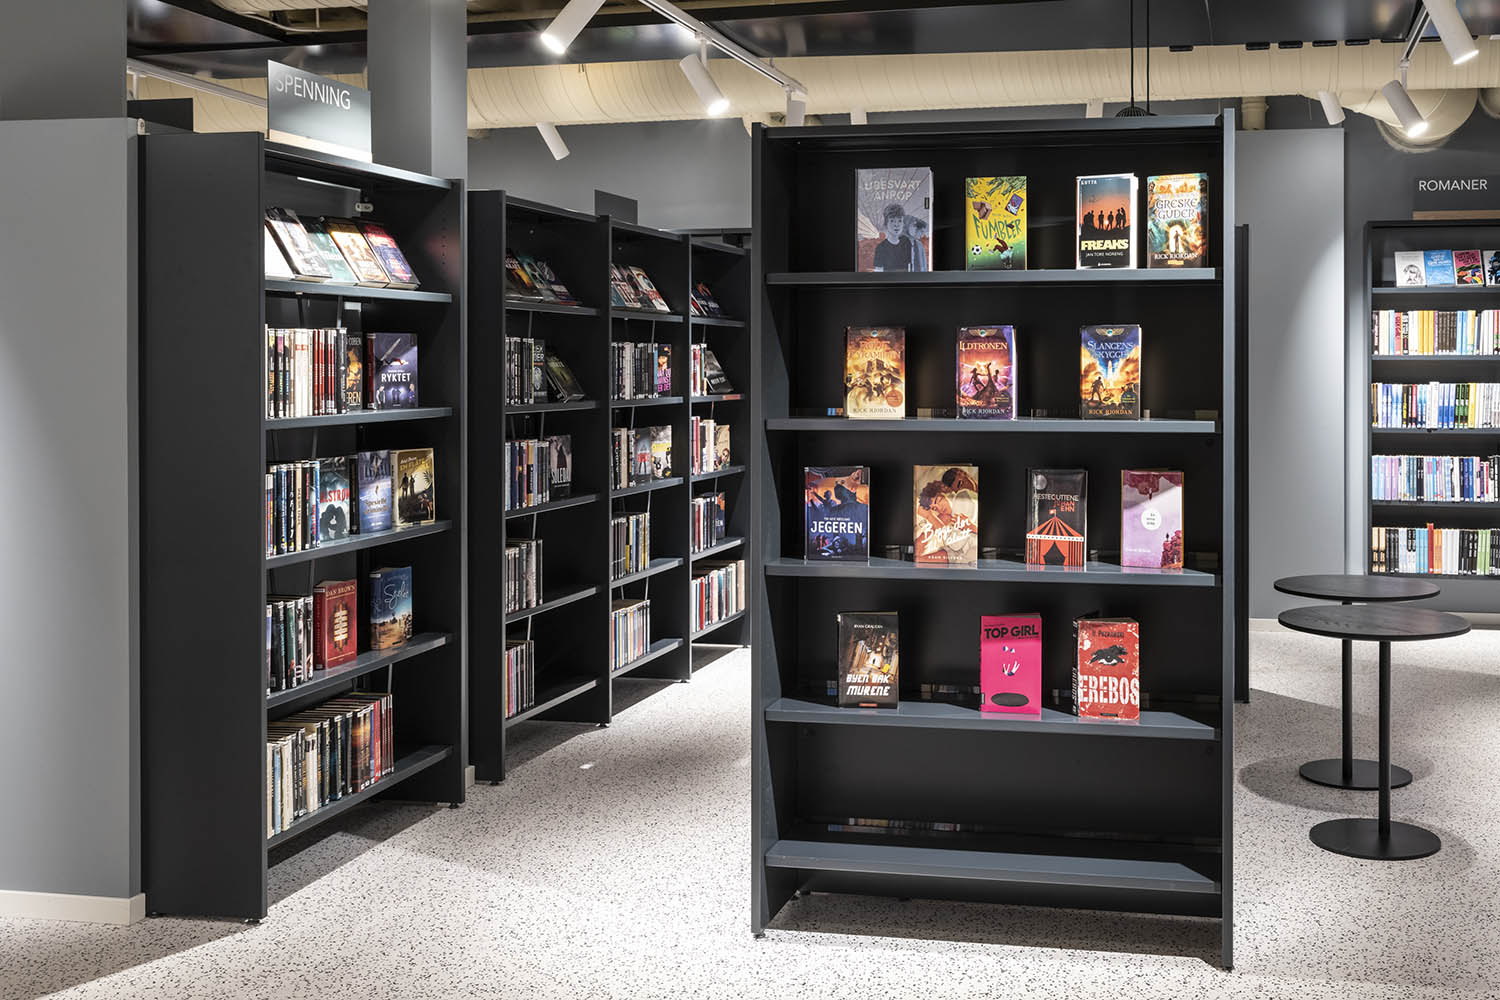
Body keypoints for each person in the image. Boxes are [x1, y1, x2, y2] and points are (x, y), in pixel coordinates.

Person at [872, 203, 913, 272]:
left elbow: (910, 268)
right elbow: (878, 273)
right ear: (886, 224)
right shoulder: (881, 248)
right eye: (892, 221)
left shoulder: (906, 242)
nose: (896, 225)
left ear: (903, 224)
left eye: (900, 221)